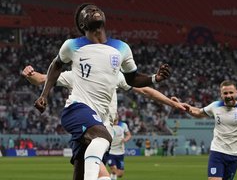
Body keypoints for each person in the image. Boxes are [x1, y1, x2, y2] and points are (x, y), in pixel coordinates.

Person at [33, 3, 171, 180]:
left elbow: (132, 79)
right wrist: (44, 95)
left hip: (99, 117)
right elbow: (56, 66)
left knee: (82, 170)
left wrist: (155, 78)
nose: (93, 11)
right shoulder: (72, 45)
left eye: (96, 9)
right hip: (77, 109)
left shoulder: (121, 48)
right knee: (103, 138)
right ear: (82, 25)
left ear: (104, 17)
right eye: (87, 12)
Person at [22, 64, 184, 180]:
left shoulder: (116, 76)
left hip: (100, 130)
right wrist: (30, 74)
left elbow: (145, 90)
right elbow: (42, 79)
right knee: (103, 172)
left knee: (82, 172)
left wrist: (173, 103)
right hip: (89, 126)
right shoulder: (76, 74)